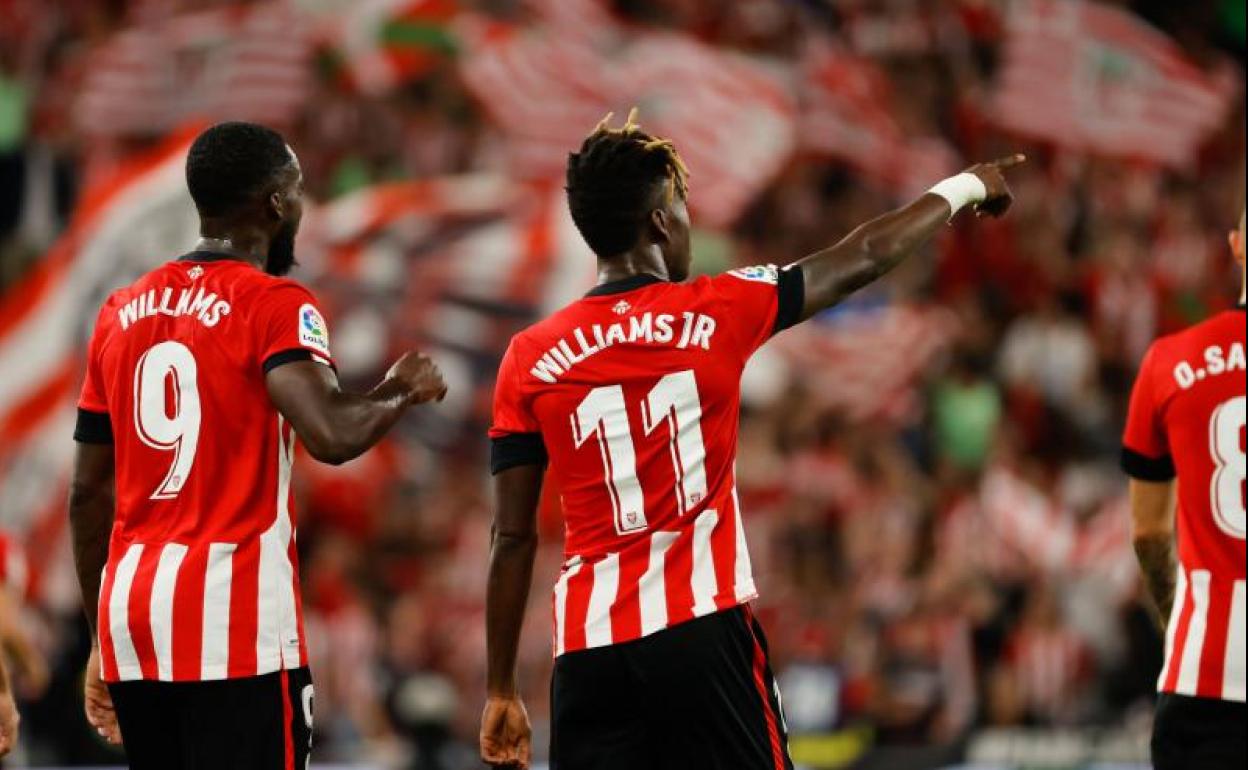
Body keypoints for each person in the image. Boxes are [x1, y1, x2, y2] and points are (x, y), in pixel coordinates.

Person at [480, 109, 1022, 769]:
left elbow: (512, 538)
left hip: (589, 653)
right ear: (660, 222)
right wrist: (965, 186)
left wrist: (500, 688)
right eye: (683, 209)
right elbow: (863, 256)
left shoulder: (530, 357)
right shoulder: (720, 309)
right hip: (700, 633)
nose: (689, 224)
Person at [68, 121, 448, 769]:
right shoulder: (273, 305)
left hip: (135, 619)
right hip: (234, 620)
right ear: (275, 204)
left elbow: (86, 492)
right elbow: (332, 434)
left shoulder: (120, 311)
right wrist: (399, 390)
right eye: (296, 191)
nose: (301, 205)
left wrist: (101, 636)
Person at [1121, 209, 1246, 770]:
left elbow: (1148, 533)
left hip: (1203, 675)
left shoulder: (1169, 361)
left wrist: (1180, 621)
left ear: (1237, 246)